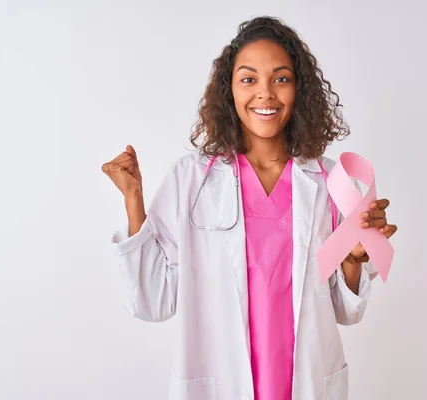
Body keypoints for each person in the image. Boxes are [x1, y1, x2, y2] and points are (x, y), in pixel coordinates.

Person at [102, 15, 397, 400]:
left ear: (299, 88)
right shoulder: (192, 179)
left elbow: (346, 312)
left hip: (304, 382)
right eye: (248, 79)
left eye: (281, 78)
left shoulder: (333, 183)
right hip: (218, 382)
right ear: (229, 91)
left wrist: (355, 258)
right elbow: (152, 301)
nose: (265, 94)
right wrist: (133, 200)